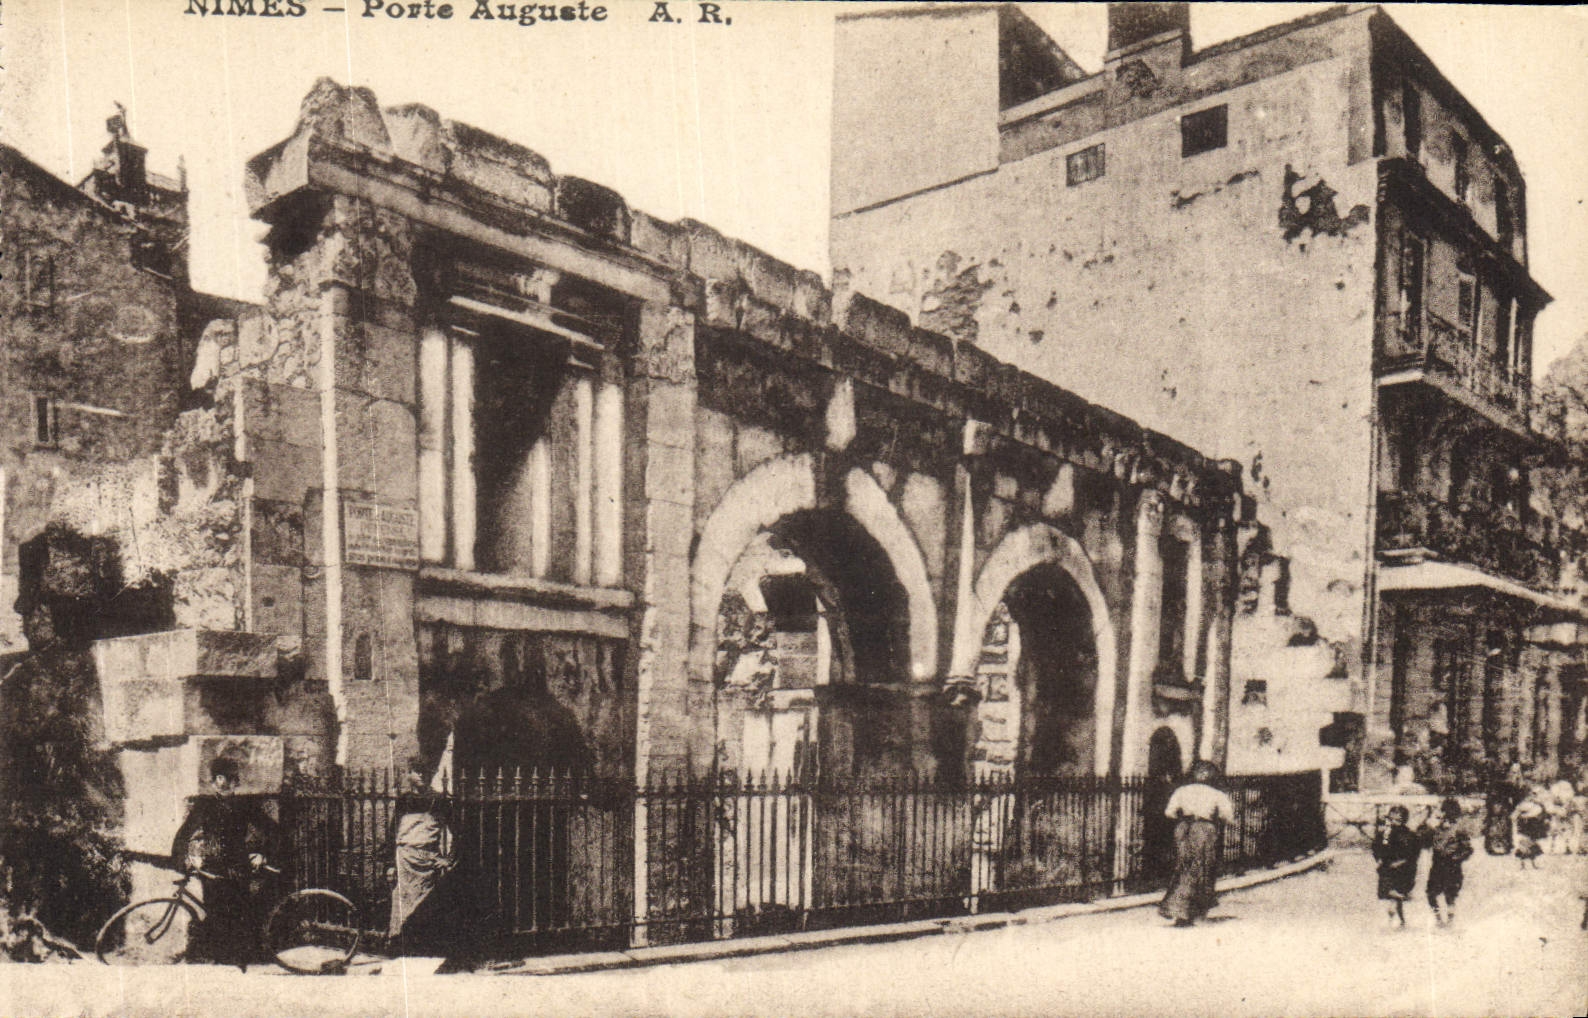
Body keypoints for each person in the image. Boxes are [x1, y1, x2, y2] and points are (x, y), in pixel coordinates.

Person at [170, 757, 282, 967]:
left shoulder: (245, 805)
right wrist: (182, 858)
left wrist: (263, 855)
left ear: (234, 783)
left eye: (229, 780)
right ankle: (221, 959)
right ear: (214, 782)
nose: (223, 783)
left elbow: (272, 830)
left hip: (238, 867)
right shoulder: (204, 806)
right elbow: (184, 833)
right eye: (219, 779)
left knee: (241, 912)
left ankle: (244, 959)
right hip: (212, 867)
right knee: (215, 911)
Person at [386, 758, 457, 957]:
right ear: (409, 774)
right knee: (402, 902)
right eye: (417, 771)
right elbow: (393, 833)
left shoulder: (439, 800)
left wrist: (447, 859)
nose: (422, 776)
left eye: (426, 771)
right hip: (405, 858)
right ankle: (399, 944)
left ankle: (424, 946)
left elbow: (458, 831)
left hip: (427, 859)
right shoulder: (404, 800)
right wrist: (390, 864)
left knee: (426, 903)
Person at [1157, 761, 1236, 928]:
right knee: (1200, 867)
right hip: (1204, 828)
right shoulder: (1216, 794)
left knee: (1182, 865)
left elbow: (1169, 813)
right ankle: (1186, 910)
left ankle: (1180, 907)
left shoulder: (1181, 791)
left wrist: (1184, 819)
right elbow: (1228, 816)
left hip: (1183, 827)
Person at [1421, 798, 1473, 927]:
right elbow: (1425, 842)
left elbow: (1467, 849)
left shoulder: (1459, 829)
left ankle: (1448, 920)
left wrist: (1457, 857)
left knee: (1449, 895)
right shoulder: (1436, 828)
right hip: (1438, 863)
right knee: (1432, 894)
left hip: (1451, 864)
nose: (1445, 815)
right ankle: (1439, 919)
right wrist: (1429, 827)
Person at [1372, 804, 1420, 928]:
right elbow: (1376, 847)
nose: (1393, 822)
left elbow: (1412, 853)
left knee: (1394, 893)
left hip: (1403, 869)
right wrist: (1379, 859)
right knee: (1394, 897)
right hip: (1387, 868)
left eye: (1397, 820)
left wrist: (1401, 862)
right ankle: (1401, 921)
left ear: (1403, 821)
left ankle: (1393, 919)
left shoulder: (1408, 835)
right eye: (1391, 819)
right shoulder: (1385, 833)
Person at [1513, 787, 1550, 869]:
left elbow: (1542, 814)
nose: (1532, 796)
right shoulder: (1524, 804)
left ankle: (1532, 864)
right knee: (1524, 844)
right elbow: (1516, 815)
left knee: (1531, 844)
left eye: (1534, 795)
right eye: (1531, 794)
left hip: (1533, 826)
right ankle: (1523, 865)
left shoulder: (1538, 804)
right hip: (1525, 826)